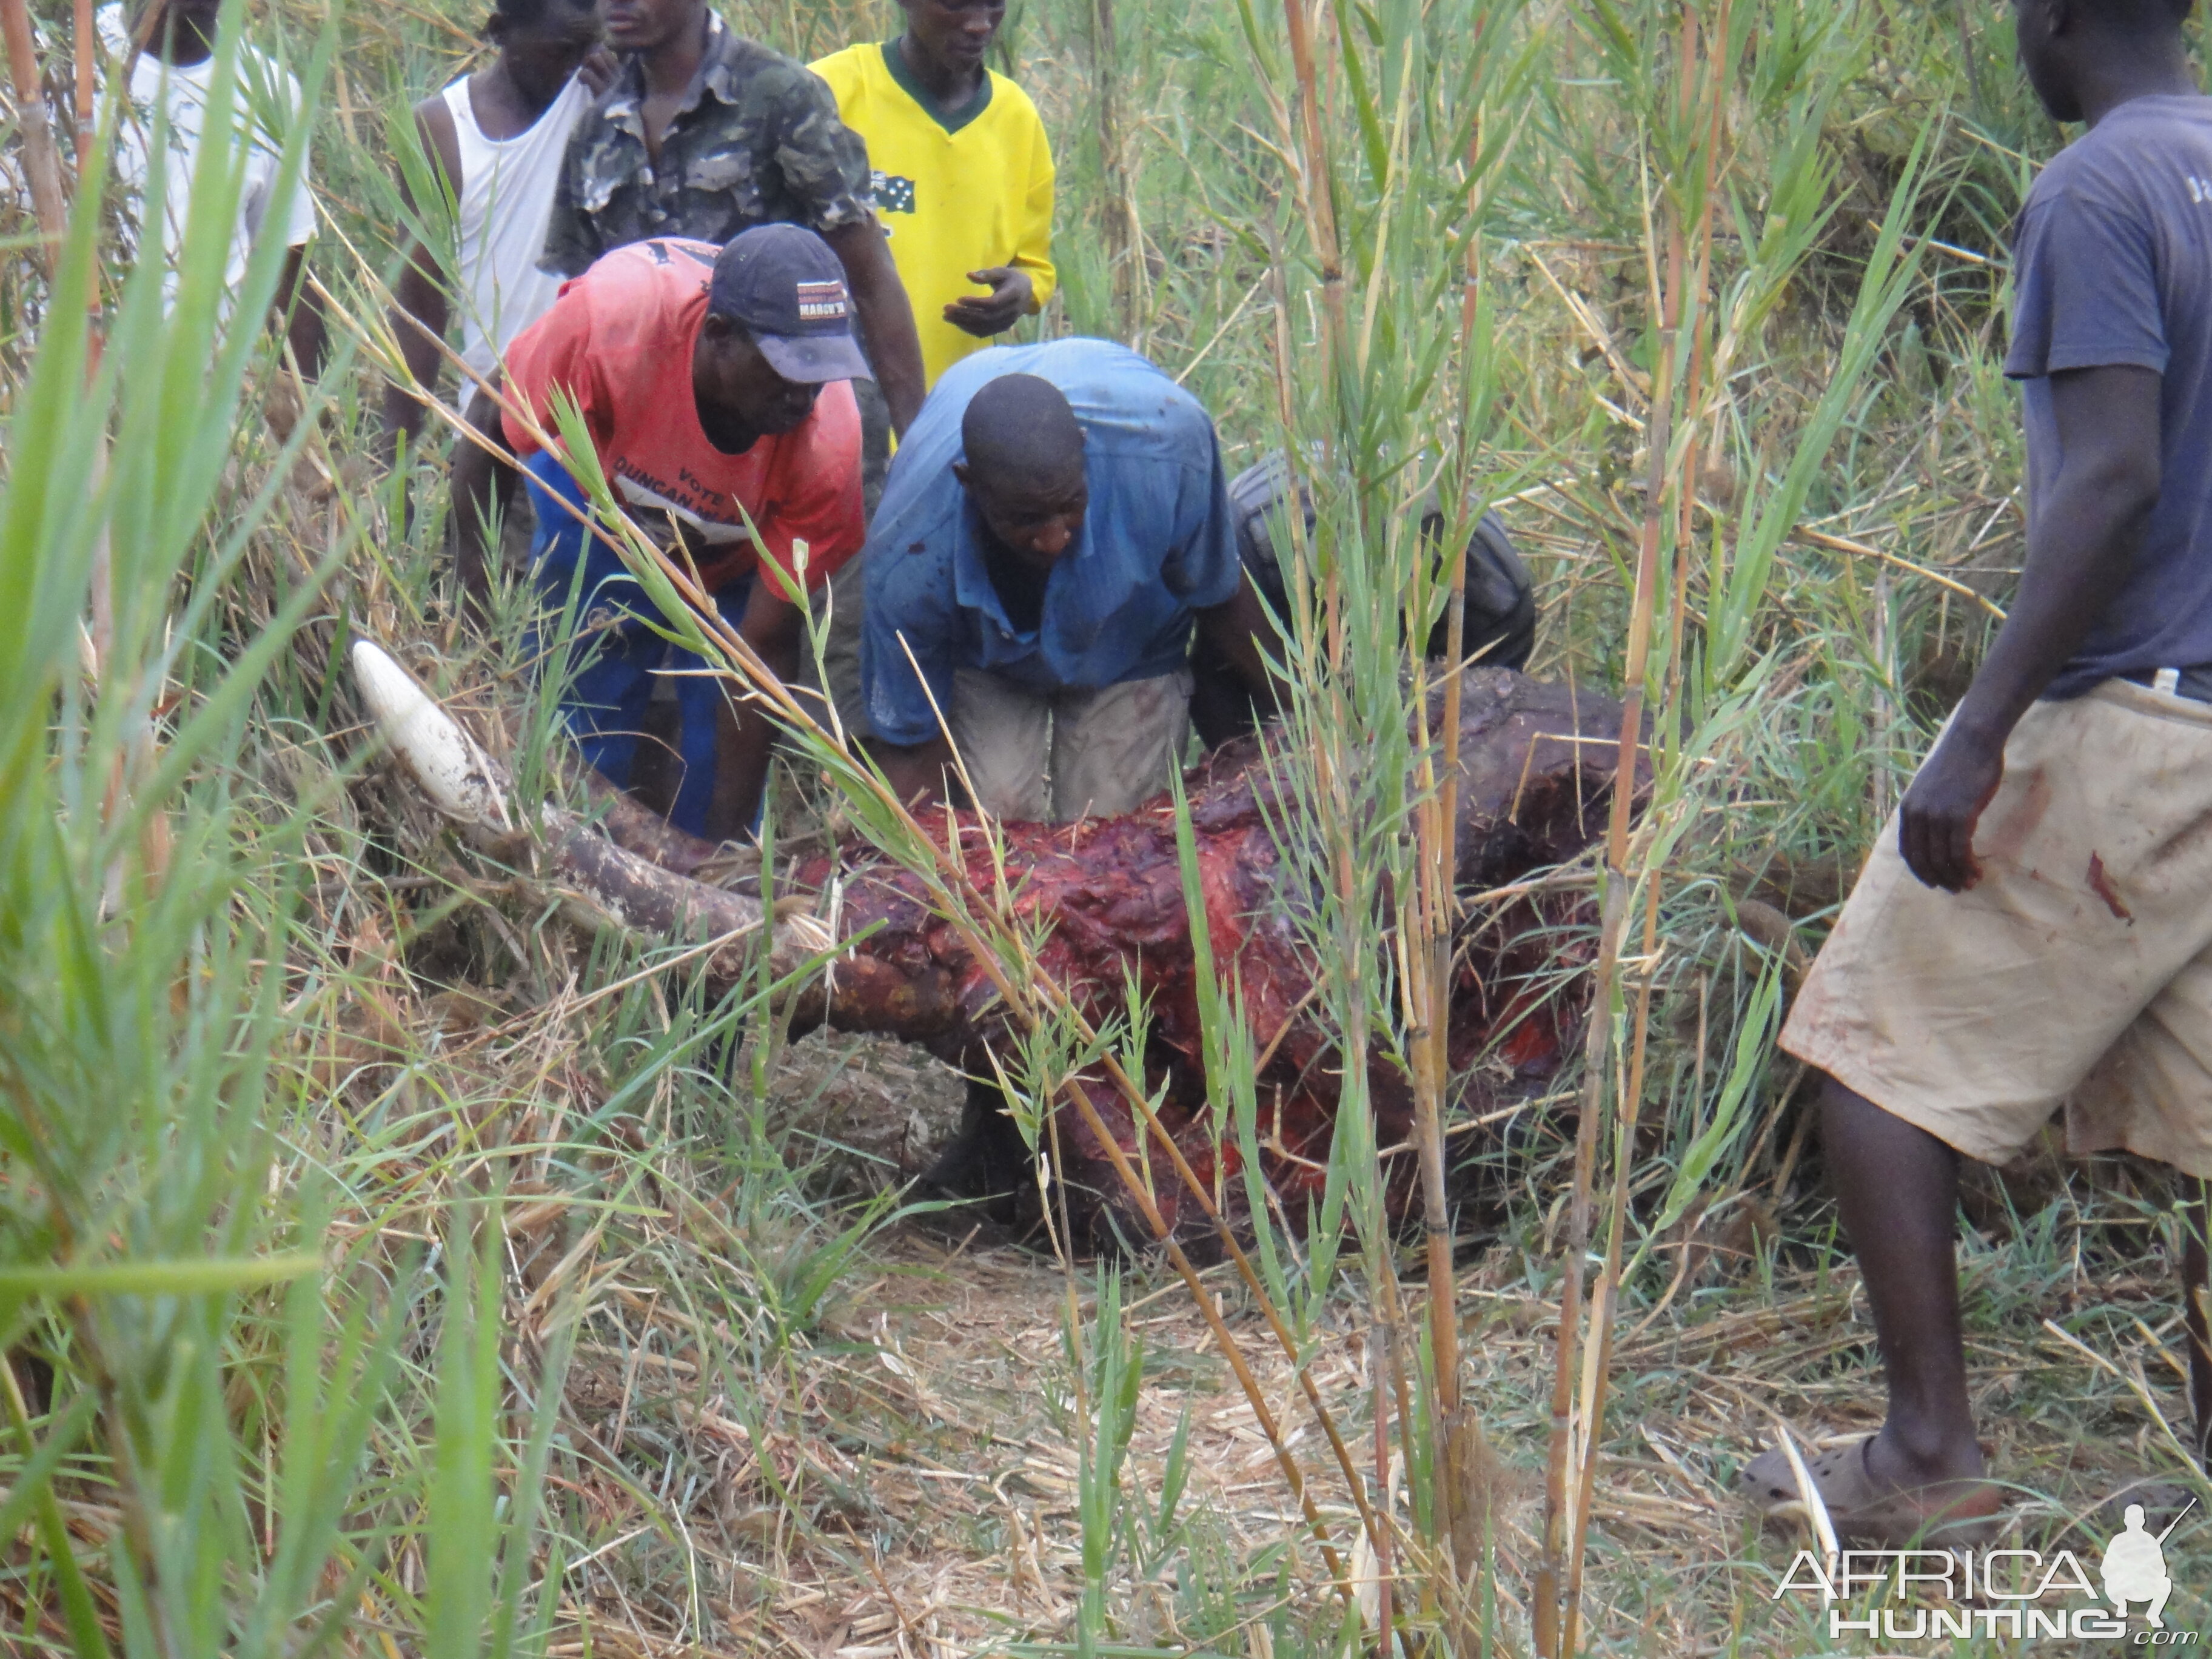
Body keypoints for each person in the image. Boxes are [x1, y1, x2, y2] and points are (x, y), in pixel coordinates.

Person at [1740, 0, 2212, 1546]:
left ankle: (1927, 1450)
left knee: (1875, 1045)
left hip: (2135, 720)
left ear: (2058, 17)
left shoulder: (2095, 190)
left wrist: (1980, 723)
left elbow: (2115, 473)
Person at [497, 226, 866, 839]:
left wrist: (720, 852)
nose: (805, 397)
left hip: (731, 560)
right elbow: (492, 420)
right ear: (719, 337)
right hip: (598, 508)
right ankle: (570, 849)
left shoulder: (827, 444)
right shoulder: (610, 324)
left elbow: (761, 655)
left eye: (819, 373)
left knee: (718, 760)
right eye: (786, 371)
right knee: (580, 716)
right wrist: (468, 587)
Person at [861, 337, 1275, 823]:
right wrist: (943, 867)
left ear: (1082, 450)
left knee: (1118, 830)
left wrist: (1304, 722)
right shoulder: (908, 554)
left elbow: (1220, 595)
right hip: (982, 654)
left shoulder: (1168, 456)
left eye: (1069, 505)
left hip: (1133, 636)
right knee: (995, 817)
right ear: (969, 483)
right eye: (1027, 519)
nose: (1054, 538)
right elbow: (911, 738)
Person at [811, 0, 1057, 739]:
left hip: (951, 429)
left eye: (994, 7)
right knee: (837, 623)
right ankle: (834, 778)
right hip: (842, 429)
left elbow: (1034, 263)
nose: (980, 23)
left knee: (935, 626)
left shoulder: (1016, 120)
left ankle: (932, 790)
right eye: (957, 5)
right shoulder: (834, 93)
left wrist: (1022, 292)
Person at [537, 0, 923, 433]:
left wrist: (913, 442)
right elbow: (581, 308)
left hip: (798, 423)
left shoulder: (780, 96)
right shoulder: (594, 132)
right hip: (665, 438)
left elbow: (870, 277)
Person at [381, 0, 611, 556]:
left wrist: (622, 113)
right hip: (500, 437)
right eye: (563, 52)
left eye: (589, 49)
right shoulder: (443, 128)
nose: (578, 67)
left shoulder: (609, 98)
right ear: (501, 32)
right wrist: (395, 470)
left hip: (603, 437)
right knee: (494, 614)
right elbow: (418, 307)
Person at [1188, 449, 1537, 747]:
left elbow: (1487, 725)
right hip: (1273, 593)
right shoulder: (1249, 548)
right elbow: (1215, 685)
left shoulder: (1497, 594)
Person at [99, 0, 324, 369]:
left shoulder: (267, 89)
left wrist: (307, 416)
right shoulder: (60, 67)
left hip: (201, 403)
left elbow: (288, 267)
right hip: (65, 398)